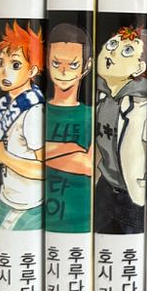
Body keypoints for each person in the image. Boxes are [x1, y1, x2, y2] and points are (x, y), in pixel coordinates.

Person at [95, 26, 147, 234]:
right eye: (112, 45)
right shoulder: (100, 95)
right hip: (106, 186)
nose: (112, 53)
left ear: (138, 68)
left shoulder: (141, 105)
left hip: (132, 195)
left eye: (126, 51)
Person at [0, 20, 45, 230]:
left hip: (27, 207)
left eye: (15, 65)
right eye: (1, 63)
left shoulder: (33, 111)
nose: (5, 72)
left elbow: (45, 169)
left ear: (32, 71)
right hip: (7, 198)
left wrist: (3, 156)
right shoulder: (4, 105)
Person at [45, 22, 93, 233]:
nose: (63, 71)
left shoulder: (91, 115)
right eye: (56, 63)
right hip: (39, 219)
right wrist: (71, 148)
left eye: (73, 65)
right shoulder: (37, 112)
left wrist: (38, 151)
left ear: (86, 66)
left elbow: (88, 165)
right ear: (47, 61)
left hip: (81, 224)